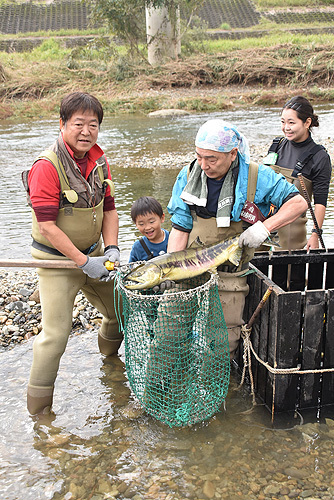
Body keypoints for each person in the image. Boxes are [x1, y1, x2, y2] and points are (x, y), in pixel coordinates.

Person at [166, 118, 308, 357]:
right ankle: (161, 388)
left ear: (233, 154)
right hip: (190, 266)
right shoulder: (189, 174)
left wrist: (264, 228)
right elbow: (181, 227)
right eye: (199, 156)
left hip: (231, 274)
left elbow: (298, 202)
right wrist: (170, 267)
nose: (203, 165)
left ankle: (220, 389)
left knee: (222, 344)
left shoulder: (256, 176)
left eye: (211, 159)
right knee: (168, 333)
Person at [22, 92, 123, 416]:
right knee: (55, 336)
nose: (86, 131)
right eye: (78, 123)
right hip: (57, 261)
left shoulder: (100, 161)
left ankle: (111, 366)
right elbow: (48, 225)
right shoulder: (46, 166)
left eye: (92, 124)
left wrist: (112, 249)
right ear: (63, 124)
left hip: (95, 253)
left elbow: (109, 210)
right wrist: (83, 263)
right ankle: (40, 415)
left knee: (119, 311)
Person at [263, 96, 332, 250]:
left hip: (292, 229)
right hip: (264, 221)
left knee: (288, 272)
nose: (286, 127)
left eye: (291, 122)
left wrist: (315, 235)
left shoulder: (320, 157)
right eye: (283, 122)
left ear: (307, 122)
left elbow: (320, 202)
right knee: (254, 267)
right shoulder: (277, 146)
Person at [129, 196, 169, 262]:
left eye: (151, 222)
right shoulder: (138, 247)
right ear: (136, 224)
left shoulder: (173, 238)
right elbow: (131, 269)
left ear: (162, 218)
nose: (147, 227)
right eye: (141, 224)